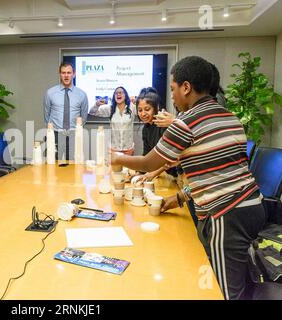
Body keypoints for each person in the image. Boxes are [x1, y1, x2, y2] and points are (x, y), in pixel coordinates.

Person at [111, 56, 265, 300]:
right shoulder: (230, 117)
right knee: (241, 282)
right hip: (252, 205)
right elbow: (222, 172)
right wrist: (181, 197)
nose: (171, 97)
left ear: (186, 87)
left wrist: (118, 159)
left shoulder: (186, 122)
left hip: (226, 215)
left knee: (223, 290)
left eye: (172, 89)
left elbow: (150, 163)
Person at [43, 62, 89, 160]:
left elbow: (83, 118)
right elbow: (46, 115)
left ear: (74, 74)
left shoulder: (82, 94)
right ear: (60, 74)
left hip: (74, 136)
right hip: (55, 134)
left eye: (69, 72)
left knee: (73, 166)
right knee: (52, 165)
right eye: (63, 73)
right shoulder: (50, 93)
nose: (66, 75)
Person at [135, 87, 177, 181]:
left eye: (147, 109)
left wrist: (153, 173)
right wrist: (138, 173)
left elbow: (169, 157)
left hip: (178, 173)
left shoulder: (163, 124)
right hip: (168, 174)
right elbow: (146, 156)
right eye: (140, 110)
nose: (143, 114)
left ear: (156, 107)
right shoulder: (146, 129)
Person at [89, 86, 135, 155]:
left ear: (125, 95)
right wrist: (97, 104)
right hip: (114, 150)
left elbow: (145, 111)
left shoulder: (132, 108)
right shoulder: (110, 109)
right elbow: (92, 112)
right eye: (116, 93)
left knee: (127, 166)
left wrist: (138, 101)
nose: (118, 94)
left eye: (121, 92)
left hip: (128, 150)